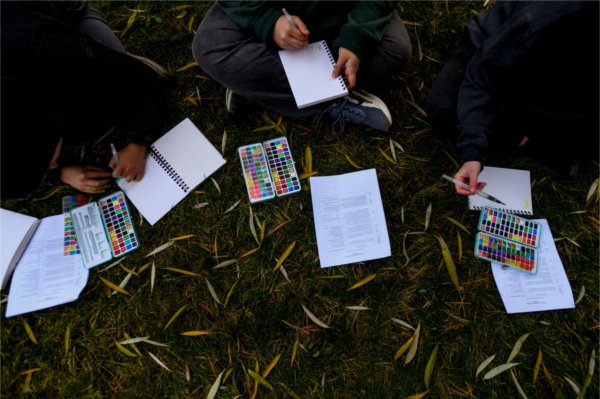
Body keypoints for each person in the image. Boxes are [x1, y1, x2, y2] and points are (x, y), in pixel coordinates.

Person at [426, 1, 599, 196]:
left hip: (555, 80)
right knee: (443, 108)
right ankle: (518, 131)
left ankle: (525, 129)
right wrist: (472, 151)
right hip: (492, 53)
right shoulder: (550, 14)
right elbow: (483, 73)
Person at [1, 1, 168, 201]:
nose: (52, 165)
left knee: (107, 103)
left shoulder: (60, 58)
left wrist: (138, 144)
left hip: (40, 20)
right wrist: (60, 173)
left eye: (48, 163)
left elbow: (148, 83)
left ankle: (97, 40)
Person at [192, 1, 412, 133]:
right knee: (210, 46)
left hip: (344, 13)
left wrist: (357, 37)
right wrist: (268, 21)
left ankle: (257, 88)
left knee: (395, 50)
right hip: (273, 7)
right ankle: (329, 101)